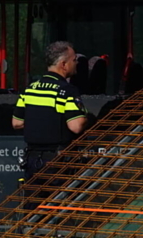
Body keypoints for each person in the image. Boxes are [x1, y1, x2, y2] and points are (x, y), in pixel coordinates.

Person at [12, 41, 90, 180]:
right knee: (57, 201)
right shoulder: (67, 90)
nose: (76, 63)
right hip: (58, 164)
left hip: (32, 161)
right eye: (74, 60)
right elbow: (76, 126)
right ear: (63, 65)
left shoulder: (30, 89)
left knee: (34, 200)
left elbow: (17, 123)